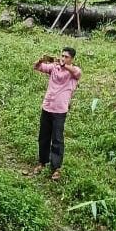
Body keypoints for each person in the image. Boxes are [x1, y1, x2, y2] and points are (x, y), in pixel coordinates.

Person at [31, 47, 82, 181]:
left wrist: (65, 65)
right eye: (62, 56)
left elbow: (77, 73)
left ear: (72, 59)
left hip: (60, 110)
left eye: (66, 57)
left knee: (57, 139)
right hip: (47, 107)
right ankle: (42, 162)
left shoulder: (73, 71)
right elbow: (37, 67)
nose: (63, 58)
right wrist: (41, 60)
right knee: (44, 136)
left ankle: (56, 167)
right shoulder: (54, 68)